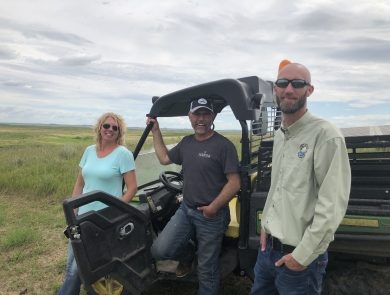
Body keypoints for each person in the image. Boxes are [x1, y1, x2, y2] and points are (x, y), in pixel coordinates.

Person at [250, 63, 351, 295]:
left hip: (298, 259)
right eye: (283, 83)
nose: (289, 89)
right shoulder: (280, 135)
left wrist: (302, 256)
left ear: (310, 90)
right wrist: (266, 224)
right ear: (275, 89)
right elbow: (277, 187)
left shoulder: (326, 135)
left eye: (297, 84)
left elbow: (332, 205)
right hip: (267, 252)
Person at [146, 98, 241, 295]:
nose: (201, 118)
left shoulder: (223, 146)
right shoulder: (186, 143)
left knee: (207, 268)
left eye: (205, 114)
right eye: (197, 114)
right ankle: (188, 256)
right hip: (186, 209)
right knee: (160, 251)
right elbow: (164, 158)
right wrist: (156, 130)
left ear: (212, 117)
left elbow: (235, 183)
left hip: (212, 215)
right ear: (189, 117)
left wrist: (213, 208)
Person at [57, 112, 137, 295]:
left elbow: (132, 188)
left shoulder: (123, 154)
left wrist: (115, 213)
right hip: (82, 216)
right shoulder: (88, 151)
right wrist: (73, 212)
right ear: (99, 128)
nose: (110, 130)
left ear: (119, 132)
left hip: (103, 220)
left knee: (78, 269)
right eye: (106, 126)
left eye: (115, 128)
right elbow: (80, 183)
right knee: (72, 268)